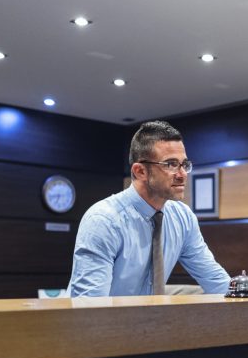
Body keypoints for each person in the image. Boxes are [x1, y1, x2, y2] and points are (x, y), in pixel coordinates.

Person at [68, 120, 230, 297]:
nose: (182, 174)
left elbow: (215, 280)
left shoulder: (183, 217)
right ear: (140, 171)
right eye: (171, 164)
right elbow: (89, 305)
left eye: (184, 164)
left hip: (149, 322)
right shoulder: (103, 220)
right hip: (102, 322)